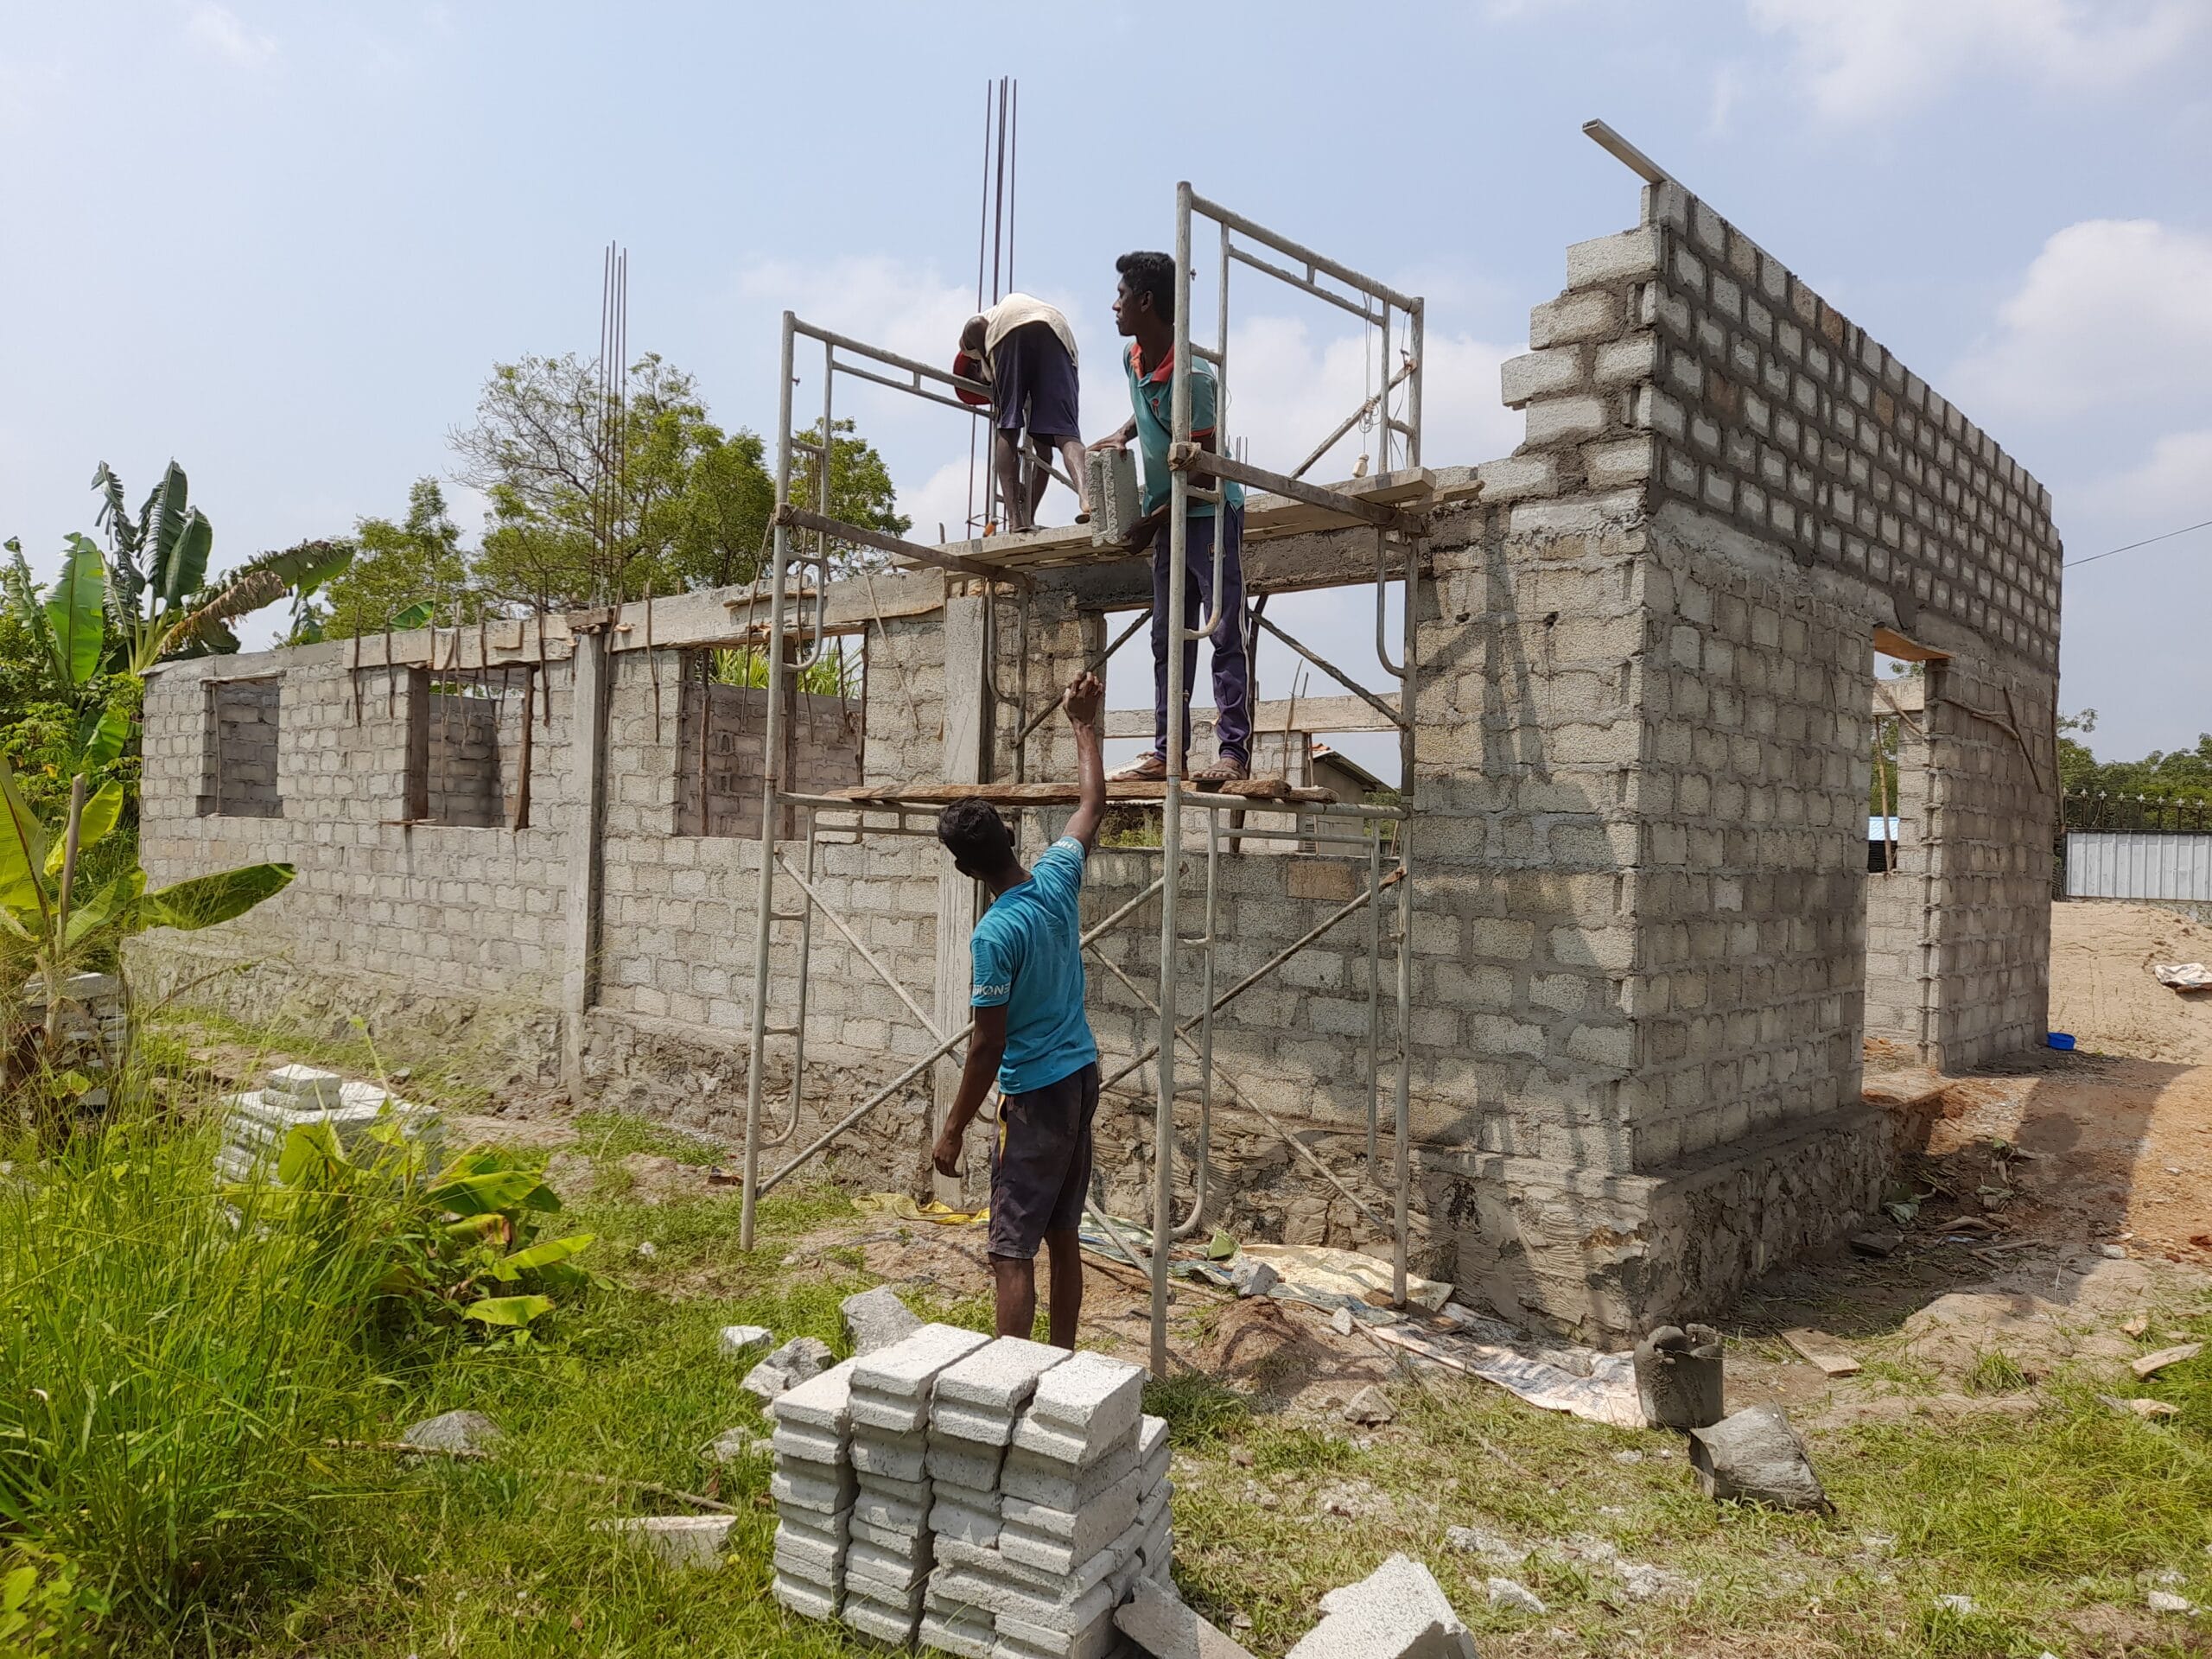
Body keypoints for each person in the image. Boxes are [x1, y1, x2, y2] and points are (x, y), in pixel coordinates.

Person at [931, 671, 1107, 1345]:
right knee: (1062, 1234)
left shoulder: (993, 935)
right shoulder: (1057, 880)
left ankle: (1011, 1381)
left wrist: (952, 1130)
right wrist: (1083, 725)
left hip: (1034, 1095)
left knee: (1010, 1249)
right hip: (1082, 1075)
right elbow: (1092, 804)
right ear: (1008, 835)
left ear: (964, 870)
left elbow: (987, 1045)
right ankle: (1060, 1363)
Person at [1090, 250, 1250, 784]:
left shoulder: (1195, 378)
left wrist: (1151, 524)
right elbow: (1149, 409)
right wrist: (1122, 432)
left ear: (1146, 301)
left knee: (1221, 627)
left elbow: (1201, 473)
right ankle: (1169, 751)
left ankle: (1232, 752)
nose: (1114, 305)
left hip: (1206, 511)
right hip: (1167, 514)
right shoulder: (1135, 358)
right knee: (1166, 635)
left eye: (1121, 296)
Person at [957, 294, 1090, 531]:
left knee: (1007, 428)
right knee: (1066, 434)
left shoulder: (976, 349)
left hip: (1010, 327)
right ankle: (1086, 497)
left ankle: (1015, 521)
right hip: (1058, 332)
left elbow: (974, 325)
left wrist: (989, 361)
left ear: (974, 367)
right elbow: (1044, 456)